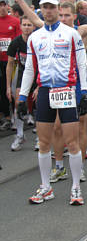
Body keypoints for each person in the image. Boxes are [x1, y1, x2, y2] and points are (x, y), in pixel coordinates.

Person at [17, 0, 87, 205]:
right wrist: (22, 97)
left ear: (58, 9)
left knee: (72, 142)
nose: (49, 11)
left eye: (52, 7)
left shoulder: (71, 34)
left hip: (66, 90)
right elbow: (30, 69)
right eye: (45, 7)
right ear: (41, 9)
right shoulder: (34, 37)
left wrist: (84, 92)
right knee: (43, 142)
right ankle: (46, 187)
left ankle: (76, 187)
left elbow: (82, 64)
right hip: (46, 91)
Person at [6, 16, 35, 151]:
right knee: (18, 102)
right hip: (23, 73)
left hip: (38, 73)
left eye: (29, 25)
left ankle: (41, 137)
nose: (27, 27)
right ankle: (20, 134)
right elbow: (10, 64)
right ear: (21, 26)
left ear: (33, 27)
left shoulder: (37, 40)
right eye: (24, 25)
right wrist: (8, 86)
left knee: (39, 103)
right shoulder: (16, 42)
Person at [0, 0, 21, 130]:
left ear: (8, 6)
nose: (2, 8)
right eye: (0, 5)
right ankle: (6, 116)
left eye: (4, 5)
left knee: (12, 90)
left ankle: (15, 115)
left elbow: (19, 40)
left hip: (11, 61)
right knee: (2, 89)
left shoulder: (14, 21)